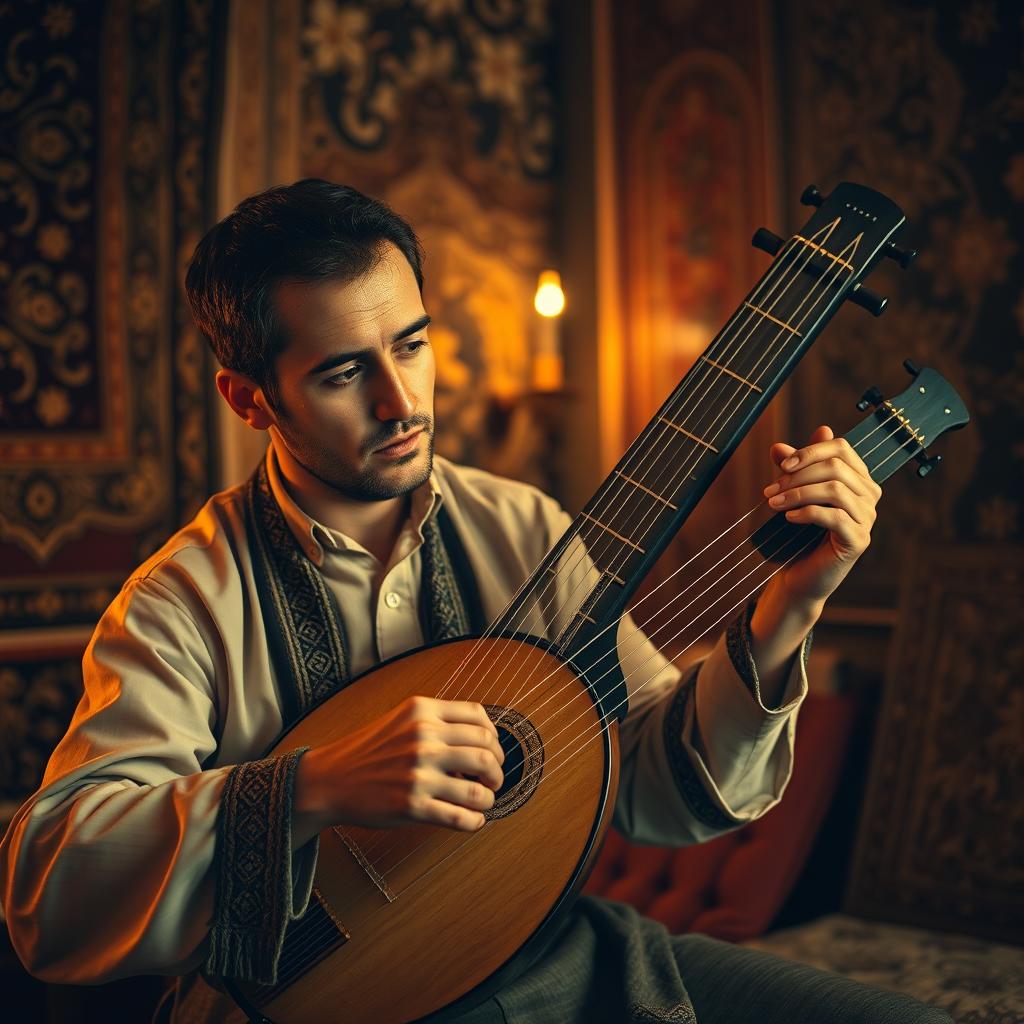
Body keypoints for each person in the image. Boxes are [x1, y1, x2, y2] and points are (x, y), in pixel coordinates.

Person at [0, 180, 951, 1024]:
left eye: (411, 345)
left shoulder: (522, 526)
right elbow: (48, 887)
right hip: (322, 1001)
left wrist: (791, 606)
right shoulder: (183, 598)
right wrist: (314, 786)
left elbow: (667, 793)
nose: (401, 399)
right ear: (250, 400)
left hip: (560, 962)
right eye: (342, 372)